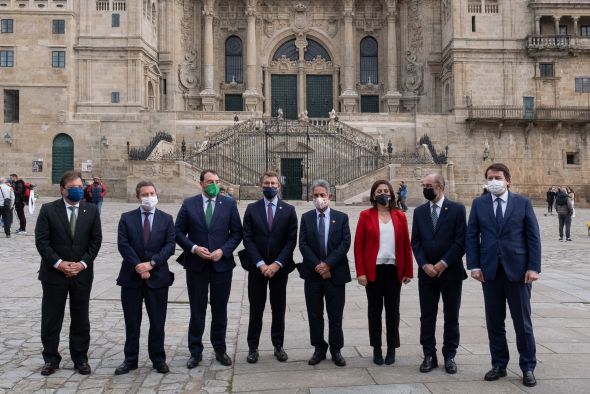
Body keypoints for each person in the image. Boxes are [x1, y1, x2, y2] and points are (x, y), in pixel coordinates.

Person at [466, 163, 541, 388]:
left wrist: (533, 267)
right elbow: (472, 235)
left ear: (508, 180)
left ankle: (528, 366)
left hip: (518, 272)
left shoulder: (523, 203)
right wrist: (474, 265)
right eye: (489, 178)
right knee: (494, 322)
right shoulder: (479, 204)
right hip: (490, 272)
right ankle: (499, 363)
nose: (493, 181)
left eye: (497, 177)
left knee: (522, 323)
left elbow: (533, 237)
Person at [34, 171, 102, 376]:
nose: (78, 190)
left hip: (81, 274)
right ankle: (51, 358)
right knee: (51, 317)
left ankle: (80, 357)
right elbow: (42, 241)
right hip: (54, 274)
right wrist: (59, 263)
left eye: (80, 186)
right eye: (73, 187)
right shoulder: (48, 210)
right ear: (62, 189)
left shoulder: (90, 210)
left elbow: (95, 241)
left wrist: (82, 264)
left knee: (81, 316)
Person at [175, 169, 242, 368]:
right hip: (196, 266)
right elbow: (177, 232)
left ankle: (220, 349)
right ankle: (195, 351)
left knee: (220, 309)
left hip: (221, 265)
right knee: (197, 309)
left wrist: (224, 250)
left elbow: (237, 233)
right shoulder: (189, 204)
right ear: (201, 183)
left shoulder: (228, 203)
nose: (214, 184)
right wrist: (194, 248)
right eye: (210, 181)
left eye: (217, 181)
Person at [114, 181, 176, 375]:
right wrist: (139, 267)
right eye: (144, 194)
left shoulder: (166, 219)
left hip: (158, 278)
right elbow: (123, 245)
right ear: (138, 197)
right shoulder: (127, 218)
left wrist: (151, 264)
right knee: (132, 321)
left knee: (157, 322)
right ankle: (130, 359)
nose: (148, 197)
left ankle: (158, 358)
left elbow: (170, 246)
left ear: (156, 194)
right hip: (131, 278)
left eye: (151, 193)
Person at [411, 174, 467, 374]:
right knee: (427, 315)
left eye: (429, 185)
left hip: (450, 272)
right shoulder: (419, 212)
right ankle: (429, 354)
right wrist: (424, 264)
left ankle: (449, 354)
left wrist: (443, 263)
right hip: (427, 273)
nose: (425, 188)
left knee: (451, 315)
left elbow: (461, 240)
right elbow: (415, 241)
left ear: (440, 187)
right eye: (423, 185)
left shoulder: (457, 209)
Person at [354, 180, 413, 366]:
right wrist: (360, 272)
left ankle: (392, 348)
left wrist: (408, 271)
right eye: (379, 191)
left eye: (386, 190)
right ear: (373, 195)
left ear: (391, 194)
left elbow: (406, 244)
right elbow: (358, 246)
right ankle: (377, 348)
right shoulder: (365, 215)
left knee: (393, 311)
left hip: (394, 269)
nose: (383, 193)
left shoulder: (399, 216)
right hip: (374, 270)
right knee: (374, 311)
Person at [241, 171, 298, 364]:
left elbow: (291, 240)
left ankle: (278, 345)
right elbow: (247, 238)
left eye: (273, 183)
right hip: (257, 268)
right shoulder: (252, 209)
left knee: (278, 307)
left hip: (279, 268)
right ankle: (253, 347)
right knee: (256, 308)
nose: (270, 186)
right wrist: (260, 263)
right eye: (266, 183)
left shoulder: (289, 210)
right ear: (261, 185)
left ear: (279, 186)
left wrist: (276, 264)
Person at [299, 179, 351, 367]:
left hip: (336, 274)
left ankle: (336, 349)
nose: (319, 198)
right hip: (313, 275)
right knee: (315, 314)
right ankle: (319, 347)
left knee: (335, 314)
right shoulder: (306, 218)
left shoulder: (342, 217)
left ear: (329, 196)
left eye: (322, 195)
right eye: (316, 195)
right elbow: (303, 244)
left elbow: (345, 243)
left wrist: (328, 264)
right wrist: (318, 266)